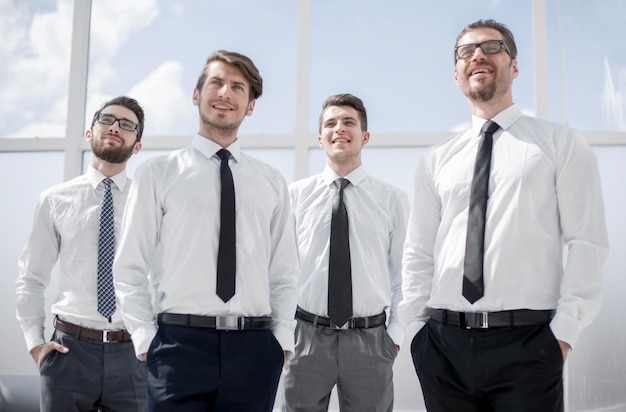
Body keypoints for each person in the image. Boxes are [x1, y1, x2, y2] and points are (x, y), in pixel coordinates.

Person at [399, 19, 609, 412]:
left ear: (514, 67)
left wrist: (562, 336)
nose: (477, 55)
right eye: (466, 51)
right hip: (443, 348)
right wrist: (415, 334)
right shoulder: (436, 161)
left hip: (528, 347)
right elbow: (418, 252)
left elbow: (587, 242)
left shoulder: (560, 144)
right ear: (457, 74)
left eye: (492, 47)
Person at [112, 50, 299, 412]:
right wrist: (145, 338)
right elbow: (130, 265)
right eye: (216, 82)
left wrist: (281, 340)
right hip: (177, 347)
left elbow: (284, 271)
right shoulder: (158, 173)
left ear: (250, 106)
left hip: (255, 348)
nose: (225, 93)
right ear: (196, 95)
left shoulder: (272, 182)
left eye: (237, 87)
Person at [16, 96, 146, 411]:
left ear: (136, 146)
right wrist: (36, 343)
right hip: (69, 352)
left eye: (127, 125)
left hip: (133, 354)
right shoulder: (55, 199)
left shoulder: (149, 203)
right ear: (89, 134)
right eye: (107, 119)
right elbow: (31, 277)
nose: (116, 127)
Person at [282, 93, 409, 412]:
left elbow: (405, 274)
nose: (339, 128)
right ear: (320, 138)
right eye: (331, 123)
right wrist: (284, 333)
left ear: (364, 136)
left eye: (349, 122)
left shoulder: (391, 200)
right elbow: (279, 271)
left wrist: (393, 335)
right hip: (306, 340)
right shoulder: (294, 197)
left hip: (370, 342)